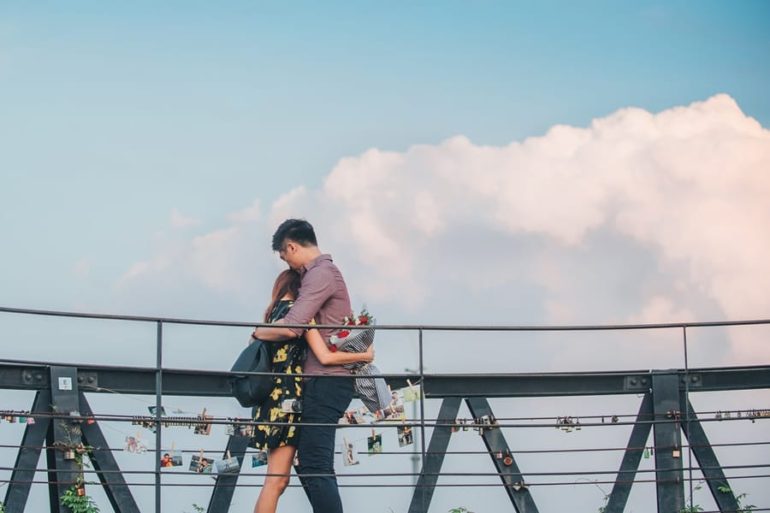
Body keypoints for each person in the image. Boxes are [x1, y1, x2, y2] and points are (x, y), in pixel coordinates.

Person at [254, 219, 357, 513]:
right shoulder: (320, 274)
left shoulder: (320, 274)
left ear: (291, 247)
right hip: (322, 380)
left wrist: (258, 332)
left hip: (327, 380)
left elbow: (292, 326)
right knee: (309, 465)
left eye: (284, 256)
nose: (287, 263)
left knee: (314, 464)